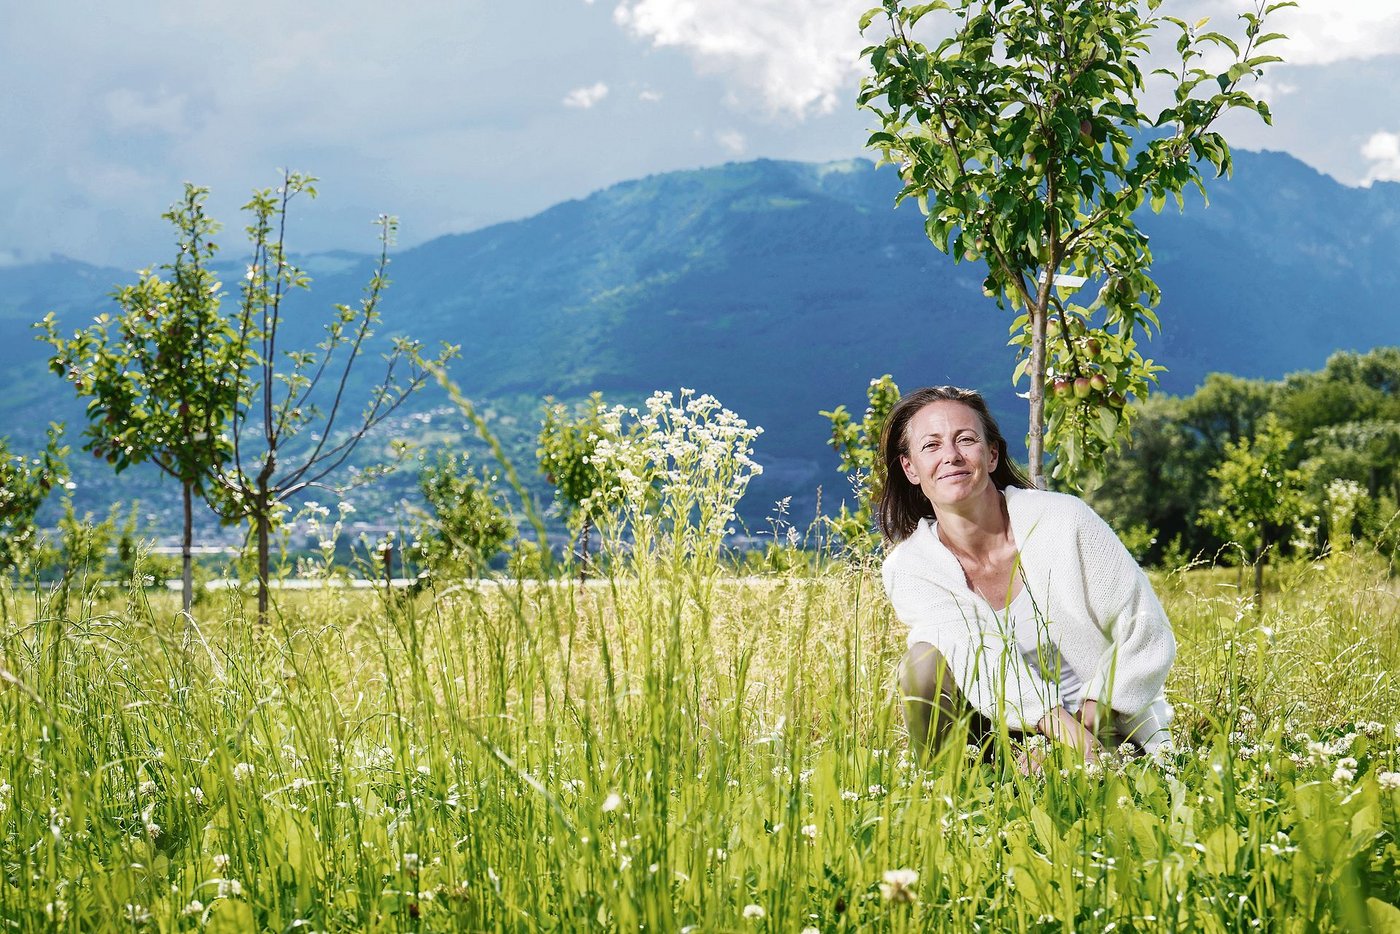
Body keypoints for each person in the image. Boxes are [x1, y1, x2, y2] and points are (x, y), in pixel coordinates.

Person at [876, 385, 1175, 766]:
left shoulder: (1065, 520)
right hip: (1000, 738)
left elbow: (1144, 628)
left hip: (1105, 723)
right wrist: (1055, 735)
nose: (951, 456)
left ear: (992, 454)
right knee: (921, 664)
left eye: (966, 440)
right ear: (910, 468)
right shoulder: (911, 567)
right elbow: (975, 653)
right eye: (931, 446)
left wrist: (1092, 723)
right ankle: (952, 799)